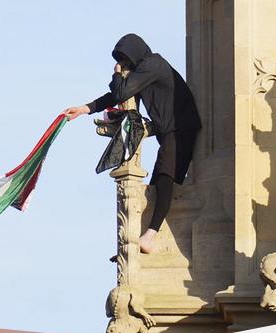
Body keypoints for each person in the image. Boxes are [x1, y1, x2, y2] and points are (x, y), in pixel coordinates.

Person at [63, 33, 201, 254]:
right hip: (170, 132)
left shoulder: (153, 64)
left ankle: (150, 236)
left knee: (165, 179)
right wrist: (84, 109)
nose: (123, 64)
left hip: (180, 128)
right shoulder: (145, 70)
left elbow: (121, 91)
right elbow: (115, 96)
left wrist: (117, 74)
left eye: (125, 59)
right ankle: (141, 239)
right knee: (158, 184)